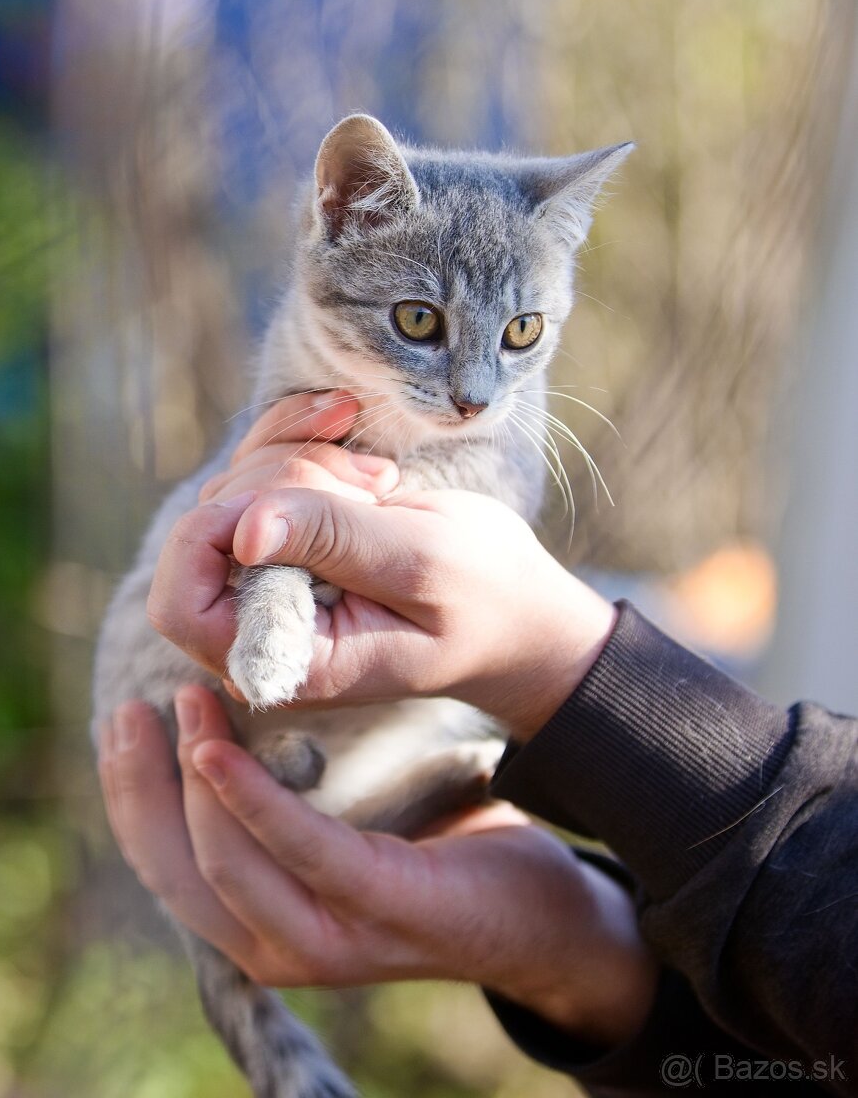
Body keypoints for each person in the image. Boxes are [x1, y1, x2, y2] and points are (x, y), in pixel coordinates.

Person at [98, 392, 857, 1096]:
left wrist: (561, 667)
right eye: (422, 324)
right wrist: (579, 951)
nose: (474, 388)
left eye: (520, 335)